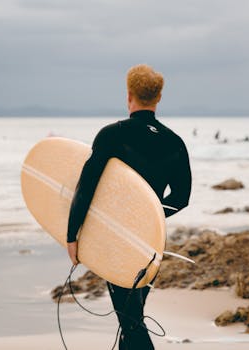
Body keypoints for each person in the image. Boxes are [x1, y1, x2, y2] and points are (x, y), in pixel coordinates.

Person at [65, 64, 192, 350]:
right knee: (131, 315)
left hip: (117, 239)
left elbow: (86, 188)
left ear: (128, 95)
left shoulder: (112, 135)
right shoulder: (175, 142)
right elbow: (181, 197)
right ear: (159, 98)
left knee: (130, 319)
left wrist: (72, 235)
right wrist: (150, 216)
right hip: (151, 241)